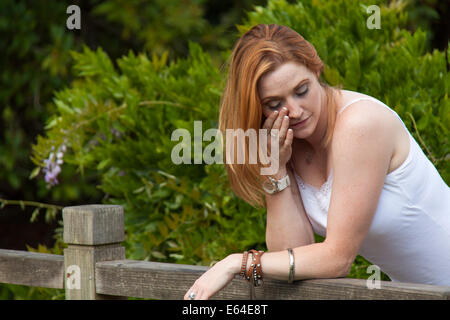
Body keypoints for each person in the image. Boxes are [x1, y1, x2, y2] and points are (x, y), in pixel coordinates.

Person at [183, 23, 450, 300]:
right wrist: (275, 170)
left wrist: (238, 263)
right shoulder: (287, 142)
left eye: (301, 90)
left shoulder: (360, 125)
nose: (295, 111)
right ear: (257, 107)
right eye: (275, 104)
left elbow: (337, 259)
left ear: (316, 69)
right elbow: (291, 255)